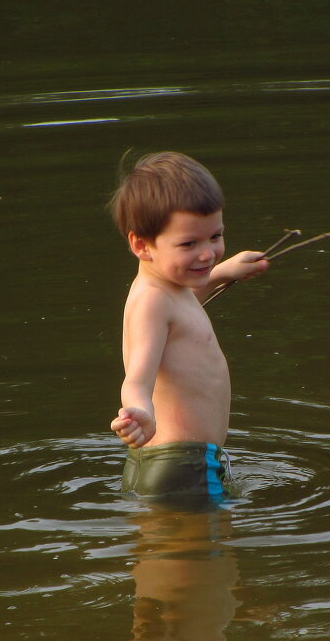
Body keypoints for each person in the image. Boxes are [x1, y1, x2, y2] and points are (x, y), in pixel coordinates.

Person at [109, 152, 269, 499]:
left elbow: (187, 305)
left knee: (166, 553)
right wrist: (140, 412)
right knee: (209, 551)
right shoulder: (153, 300)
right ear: (141, 245)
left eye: (215, 236)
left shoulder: (169, 290)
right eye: (188, 244)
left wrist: (227, 271)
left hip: (171, 464)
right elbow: (137, 379)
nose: (207, 254)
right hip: (183, 465)